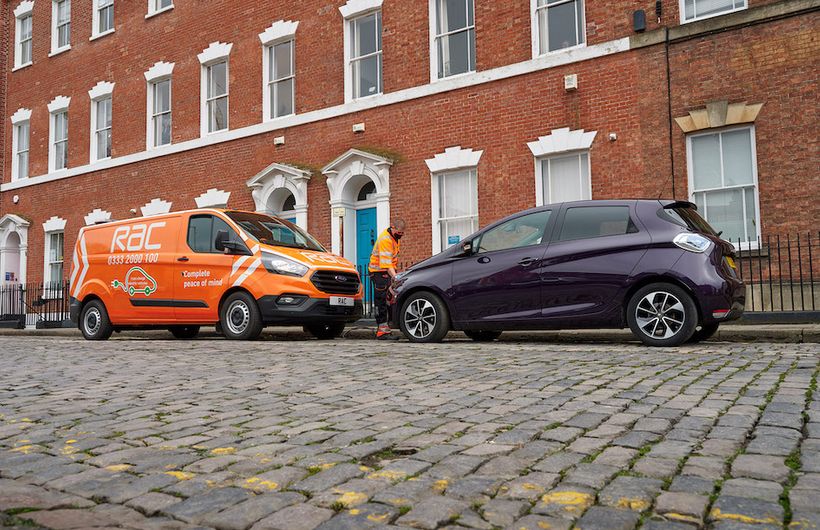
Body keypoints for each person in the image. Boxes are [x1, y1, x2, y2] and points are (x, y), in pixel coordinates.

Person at [368, 218, 406, 340]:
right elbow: (386, 264)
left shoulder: (394, 238)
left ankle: (387, 326)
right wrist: (395, 276)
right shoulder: (386, 239)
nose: (400, 236)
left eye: (402, 234)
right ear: (392, 227)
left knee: (389, 299)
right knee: (381, 300)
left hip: (385, 272)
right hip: (379, 273)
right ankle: (382, 331)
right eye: (398, 233)